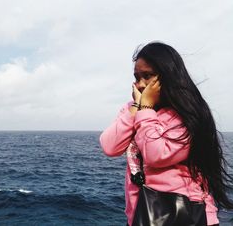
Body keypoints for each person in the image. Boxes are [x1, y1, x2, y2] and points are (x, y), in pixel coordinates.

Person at [99, 42, 233, 226]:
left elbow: (156, 154)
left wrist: (145, 109)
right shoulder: (134, 109)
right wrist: (136, 109)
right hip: (143, 216)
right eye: (137, 78)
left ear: (168, 76)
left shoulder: (188, 115)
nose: (140, 84)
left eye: (147, 76)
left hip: (188, 216)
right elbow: (109, 146)